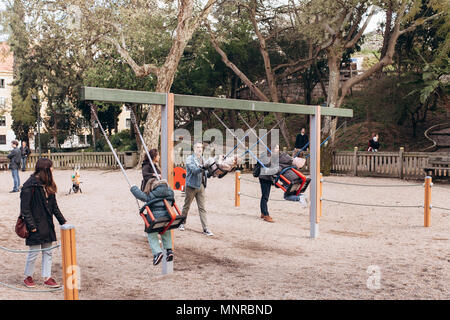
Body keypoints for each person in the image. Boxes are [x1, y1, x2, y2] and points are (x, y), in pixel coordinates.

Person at [20, 158, 67, 288]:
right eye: (51, 167)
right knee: (33, 252)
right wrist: (32, 226)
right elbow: (25, 209)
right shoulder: (29, 185)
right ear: (46, 169)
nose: (53, 169)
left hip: (47, 224)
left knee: (48, 252)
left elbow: (54, 207)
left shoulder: (48, 184)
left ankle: (47, 277)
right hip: (34, 225)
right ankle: (27, 276)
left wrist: (63, 222)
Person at [130, 178, 175, 266]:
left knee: (151, 234)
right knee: (166, 230)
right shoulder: (170, 192)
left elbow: (142, 196)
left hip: (155, 219)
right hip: (168, 218)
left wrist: (133, 188)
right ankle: (169, 250)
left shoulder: (152, 194)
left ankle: (157, 253)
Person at [179, 142, 213, 236]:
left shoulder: (203, 159)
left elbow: (206, 173)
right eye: (197, 147)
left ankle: (205, 228)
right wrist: (204, 167)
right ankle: (182, 223)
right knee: (187, 206)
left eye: (201, 147)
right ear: (194, 149)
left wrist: (213, 172)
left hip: (201, 186)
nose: (199, 149)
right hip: (191, 186)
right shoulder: (190, 159)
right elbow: (194, 171)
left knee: (202, 208)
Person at [258, 145, 280, 223]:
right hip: (264, 178)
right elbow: (266, 166)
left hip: (268, 178)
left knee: (265, 196)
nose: (278, 149)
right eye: (277, 148)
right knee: (265, 196)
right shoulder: (266, 155)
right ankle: (266, 214)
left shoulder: (273, 156)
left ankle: (263, 213)